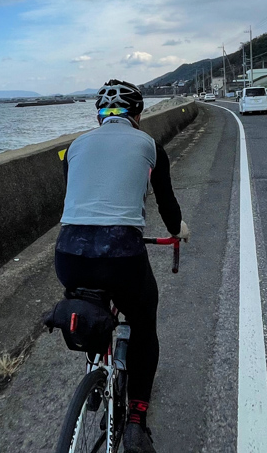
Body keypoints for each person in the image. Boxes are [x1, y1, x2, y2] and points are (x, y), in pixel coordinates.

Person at [56, 79, 190, 453]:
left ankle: (97, 372)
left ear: (98, 116)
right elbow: (166, 202)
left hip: (68, 253)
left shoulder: (74, 147)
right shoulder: (150, 146)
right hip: (122, 255)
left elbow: (74, 198)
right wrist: (178, 231)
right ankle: (136, 419)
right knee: (144, 323)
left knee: (89, 299)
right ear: (138, 114)